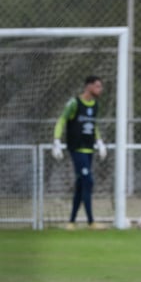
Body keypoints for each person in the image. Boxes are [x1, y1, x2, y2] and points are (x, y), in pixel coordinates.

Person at [52, 75, 108, 230]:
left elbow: (93, 125)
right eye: (97, 86)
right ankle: (91, 222)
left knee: (80, 184)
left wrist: (99, 142)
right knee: (88, 181)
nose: (100, 89)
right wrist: (56, 140)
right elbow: (61, 120)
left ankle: (71, 222)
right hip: (76, 149)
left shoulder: (95, 105)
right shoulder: (74, 103)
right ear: (88, 86)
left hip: (89, 149)